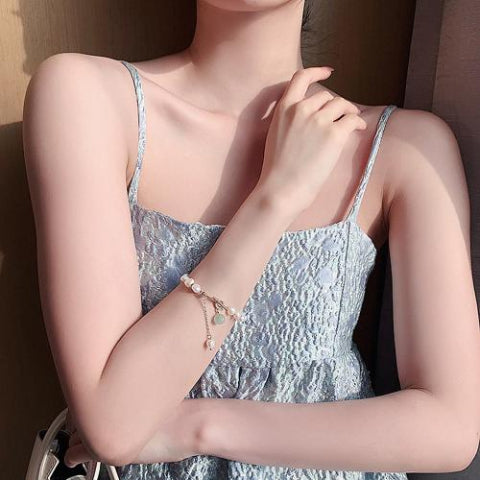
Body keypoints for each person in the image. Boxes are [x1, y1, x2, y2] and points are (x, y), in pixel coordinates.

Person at [22, 0, 480, 479]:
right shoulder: (87, 99)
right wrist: (277, 197)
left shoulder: (406, 147)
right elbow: (112, 426)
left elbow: (450, 428)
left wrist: (201, 426)